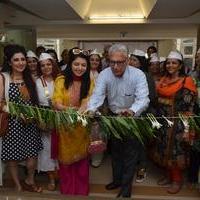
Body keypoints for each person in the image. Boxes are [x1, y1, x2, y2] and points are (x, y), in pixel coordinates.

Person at [87, 44, 149, 198]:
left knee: (130, 154)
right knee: (116, 152)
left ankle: (126, 188)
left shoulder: (138, 75)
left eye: (119, 62)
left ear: (127, 60)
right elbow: (97, 95)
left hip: (132, 117)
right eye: (111, 62)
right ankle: (117, 180)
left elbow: (144, 99)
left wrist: (132, 110)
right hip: (114, 117)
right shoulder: (104, 74)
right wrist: (91, 109)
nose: (115, 66)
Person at [0, 44, 43, 192]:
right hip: (12, 124)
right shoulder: (3, 78)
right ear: (10, 62)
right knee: (13, 157)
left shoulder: (30, 78)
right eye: (16, 60)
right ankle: (17, 184)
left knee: (32, 156)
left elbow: (35, 102)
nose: (21, 63)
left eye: (23, 59)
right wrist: (17, 112)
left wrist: (34, 115)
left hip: (30, 124)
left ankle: (29, 180)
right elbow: (0, 103)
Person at [154, 51, 197, 194]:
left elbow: (188, 107)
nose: (170, 65)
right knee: (163, 149)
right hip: (162, 122)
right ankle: (168, 176)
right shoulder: (162, 80)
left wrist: (186, 130)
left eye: (174, 63)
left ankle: (176, 180)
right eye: (168, 62)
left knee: (175, 152)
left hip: (178, 124)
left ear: (180, 66)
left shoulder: (187, 81)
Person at [52, 49, 93, 195]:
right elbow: (56, 101)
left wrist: (80, 111)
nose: (80, 68)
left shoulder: (89, 81)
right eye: (76, 64)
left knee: (82, 163)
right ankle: (68, 192)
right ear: (70, 64)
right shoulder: (61, 79)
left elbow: (88, 101)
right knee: (66, 163)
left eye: (83, 65)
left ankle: (81, 192)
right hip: (65, 127)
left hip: (81, 128)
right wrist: (68, 110)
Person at [129, 49, 157, 183]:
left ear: (141, 63)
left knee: (140, 143)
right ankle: (133, 164)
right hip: (128, 115)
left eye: (134, 60)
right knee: (131, 142)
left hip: (142, 115)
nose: (131, 62)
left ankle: (142, 168)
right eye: (130, 59)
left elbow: (150, 98)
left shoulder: (146, 76)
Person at [36, 53, 60, 191]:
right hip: (45, 119)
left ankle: (61, 175)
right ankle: (51, 178)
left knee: (60, 148)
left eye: (48, 64)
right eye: (43, 65)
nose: (46, 67)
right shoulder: (37, 81)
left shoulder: (61, 79)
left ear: (53, 64)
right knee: (47, 150)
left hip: (61, 119)